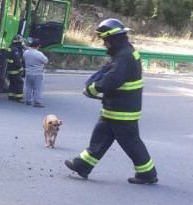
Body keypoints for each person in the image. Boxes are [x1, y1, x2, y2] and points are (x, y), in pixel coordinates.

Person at [64, 18, 159, 185]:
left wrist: (93, 88)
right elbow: (109, 72)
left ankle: (147, 173)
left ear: (113, 38)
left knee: (130, 142)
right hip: (117, 107)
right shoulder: (124, 53)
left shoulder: (124, 56)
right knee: (101, 136)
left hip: (122, 110)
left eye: (105, 40)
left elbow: (112, 80)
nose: (104, 44)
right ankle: (83, 165)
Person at [22, 37, 49, 107]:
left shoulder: (26, 52)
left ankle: (28, 100)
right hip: (37, 73)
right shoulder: (39, 54)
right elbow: (45, 61)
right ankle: (37, 101)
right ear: (38, 46)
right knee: (37, 88)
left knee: (28, 87)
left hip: (28, 73)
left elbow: (24, 58)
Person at [6, 35, 25, 103]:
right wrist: (21, 69)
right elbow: (17, 61)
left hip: (10, 69)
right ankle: (19, 98)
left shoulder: (10, 48)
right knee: (19, 83)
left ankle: (11, 96)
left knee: (12, 83)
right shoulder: (15, 50)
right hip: (15, 70)